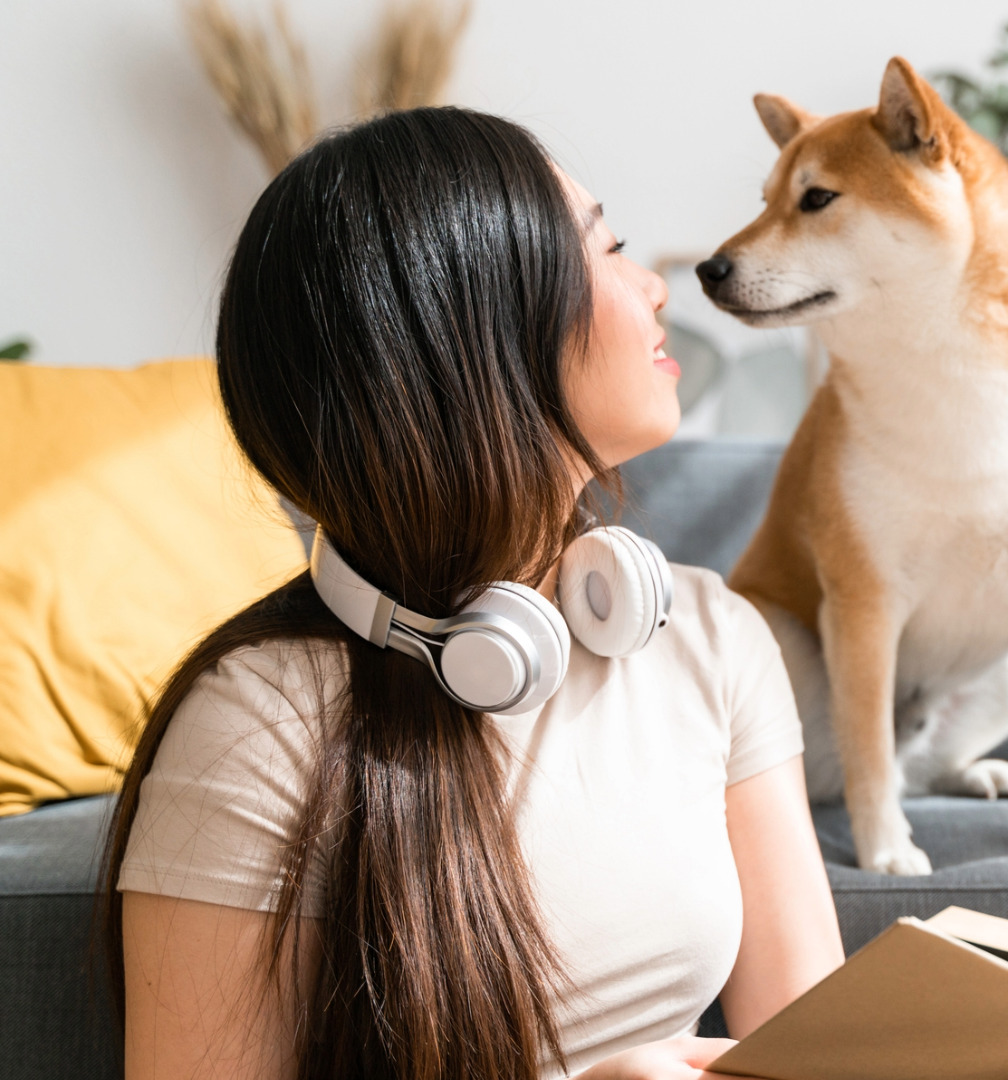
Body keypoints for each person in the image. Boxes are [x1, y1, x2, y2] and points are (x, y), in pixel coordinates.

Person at [100, 106, 842, 1080]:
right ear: (476, 334)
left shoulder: (707, 635)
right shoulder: (263, 724)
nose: (655, 287)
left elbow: (822, 1051)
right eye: (606, 249)